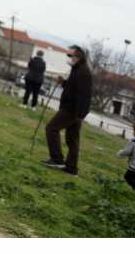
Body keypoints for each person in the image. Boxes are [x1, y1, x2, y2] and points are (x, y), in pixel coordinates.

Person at [43, 44, 94, 176]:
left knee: (51, 128)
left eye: (71, 55)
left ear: (79, 56)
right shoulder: (77, 69)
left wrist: (80, 114)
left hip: (72, 110)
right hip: (75, 110)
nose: (69, 57)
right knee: (72, 139)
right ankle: (71, 169)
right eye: (68, 55)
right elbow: (73, 88)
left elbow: (84, 95)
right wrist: (63, 83)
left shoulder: (83, 72)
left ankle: (57, 159)